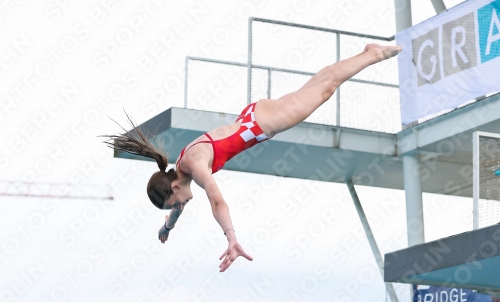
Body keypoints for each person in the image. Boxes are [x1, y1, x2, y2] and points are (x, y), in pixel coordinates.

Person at [102, 43, 402, 272]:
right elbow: (176, 210)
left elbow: (218, 202)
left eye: (175, 202)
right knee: (317, 88)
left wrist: (231, 238)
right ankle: (366, 54)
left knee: (324, 89)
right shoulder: (181, 171)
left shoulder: (193, 165)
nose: (180, 205)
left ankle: (372, 55)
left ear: (175, 188)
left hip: (260, 125)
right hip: (253, 118)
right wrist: (167, 227)